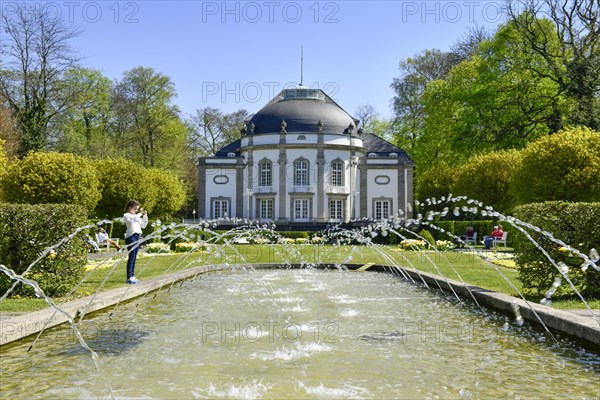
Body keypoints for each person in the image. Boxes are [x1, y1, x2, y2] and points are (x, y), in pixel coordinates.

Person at [123, 200, 148, 284]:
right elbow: (132, 220)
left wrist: (145, 216)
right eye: (135, 209)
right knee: (131, 257)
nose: (136, 211)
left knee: (134, 258)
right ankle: (129, 277)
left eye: (137, 209)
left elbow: (143, 225)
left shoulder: (136, 216)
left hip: (137, 236)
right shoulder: (127, 215)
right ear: (130, 207)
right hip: (131, 237)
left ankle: (132, 276)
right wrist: (140, 214)